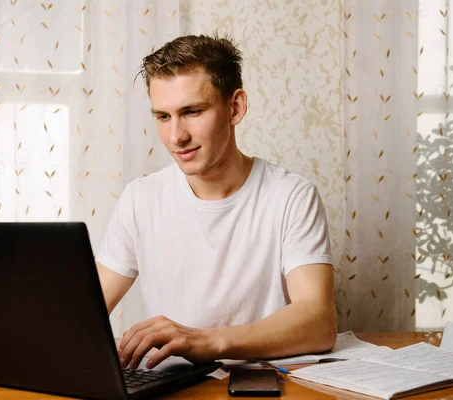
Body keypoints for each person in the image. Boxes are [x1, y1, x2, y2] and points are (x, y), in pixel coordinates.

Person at [95, 34, 337, 370]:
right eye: (163, 117)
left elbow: (319, 323)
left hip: (256, 387)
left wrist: (205, 341)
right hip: (169, 386)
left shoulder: (292, 196)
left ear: (235, 107)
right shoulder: (141, 199)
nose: (176, 136)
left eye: (192, 111)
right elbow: (84, 315)